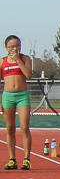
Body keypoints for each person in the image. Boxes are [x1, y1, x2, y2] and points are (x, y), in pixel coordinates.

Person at [3, 35, 33, 170]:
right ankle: (12, 159)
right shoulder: (2, 61)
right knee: (10, 129)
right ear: (6, 48)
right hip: (7, 96)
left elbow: (28, 75)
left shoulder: (25, 59)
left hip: (22, 96)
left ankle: (27, 159)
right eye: (12, 46)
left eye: (17, 46)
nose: (15, 49)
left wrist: (17, 61)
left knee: (24, 127)